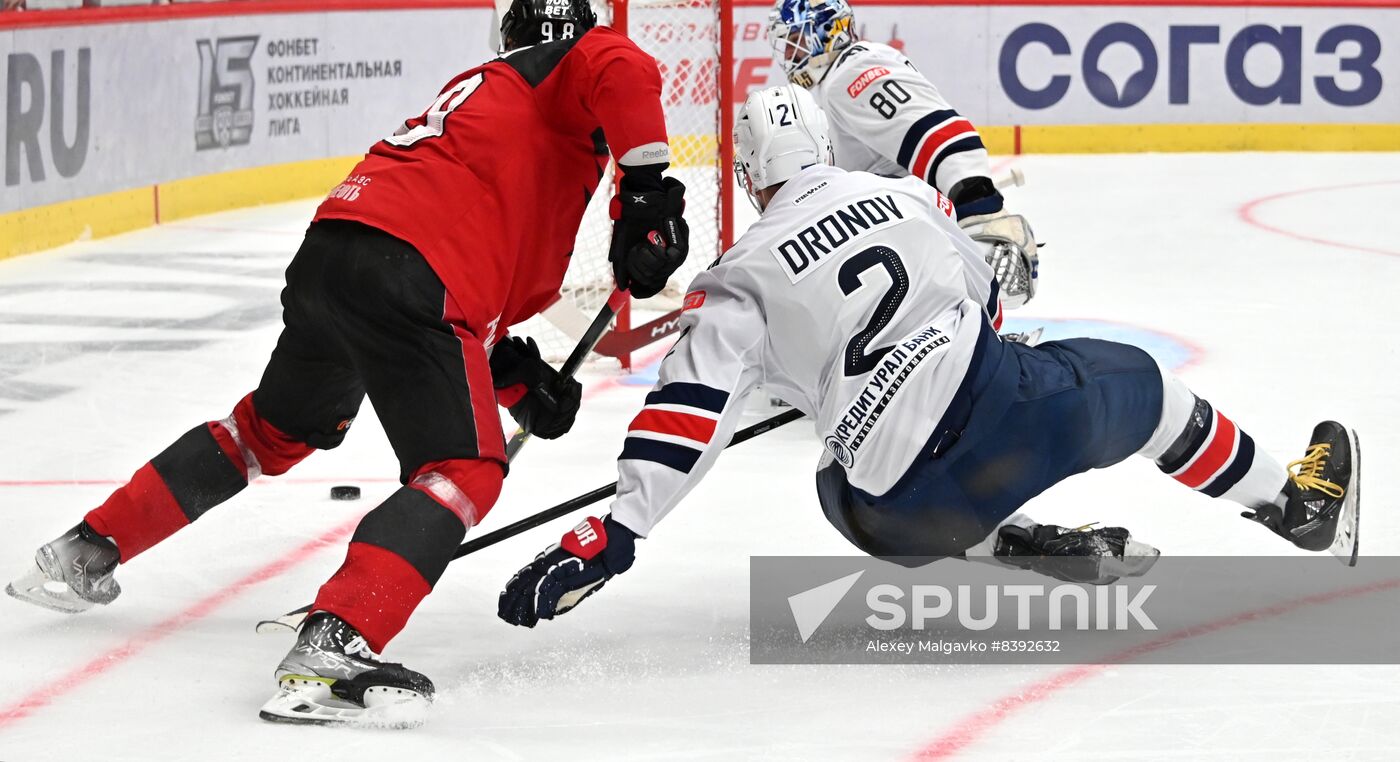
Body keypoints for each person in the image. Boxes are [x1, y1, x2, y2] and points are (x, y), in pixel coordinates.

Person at [6, 0, 688, 727]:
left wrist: (519, 380)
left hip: (338, 252)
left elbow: (448, 321)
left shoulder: (489, 112)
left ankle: (87, 548)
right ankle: (334, 646)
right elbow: (617, 62)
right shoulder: (568, 67)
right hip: (411, 271)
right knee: (463, 468)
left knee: (267, 433)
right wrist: (646, 199)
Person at [495, 85, 1360, 629]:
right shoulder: (897, 195)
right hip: (1012, 423)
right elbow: (986, 300)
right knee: (1142, 389)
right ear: (823, 152)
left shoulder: (735, 280)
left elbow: (683, 419)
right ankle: (1293, 505)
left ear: (751, 178)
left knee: (839, 482)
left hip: (898, 517)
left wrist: (615, 532)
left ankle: (1004, 541)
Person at [768, 0, 1038, 313]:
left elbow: (940, 133)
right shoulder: (846, 71)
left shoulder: (852, 73)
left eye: (796, 41)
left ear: (827, 32)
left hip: (911, 238)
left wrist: (979, 204)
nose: (788, 55)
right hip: (899, 234)